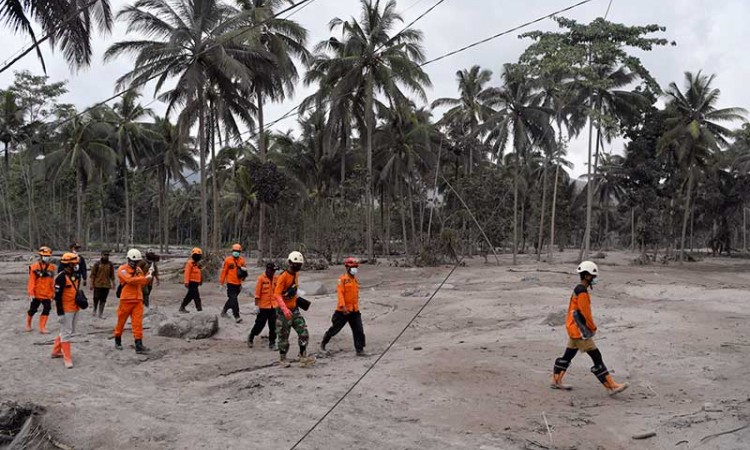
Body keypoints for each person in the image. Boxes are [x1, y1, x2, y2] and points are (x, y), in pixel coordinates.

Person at [550, 261, 629, 395]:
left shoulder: (578, 288)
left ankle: (556, 380)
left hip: (573, 328)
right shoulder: (582, 292)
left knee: (568, 355)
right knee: (596, 356)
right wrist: (592, 327)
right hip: (580, 330)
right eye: (593, 276)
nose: (594, 279)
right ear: (587, 276)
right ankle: (611, 386)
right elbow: (585, 313)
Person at [273, 251, 313, 367]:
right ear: (289, 263)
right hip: (283, 311)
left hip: (294, 309)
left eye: (299, 264)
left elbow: (293, 291)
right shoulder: (283, 277)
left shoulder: (295, 275)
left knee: (303, 332)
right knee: (283, 335)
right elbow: (277, 294)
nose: (297, 266)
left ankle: (302, 355)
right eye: (295, 264)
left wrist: (298, 300)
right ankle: (282, 358)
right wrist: (285, 309)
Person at [321, 257, 366, 356]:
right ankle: (324, 342)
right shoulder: (342, 280)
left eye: (355, 267)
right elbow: (340, 294)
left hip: (354, 310)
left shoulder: (355, 280)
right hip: (343, 310)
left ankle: (360, 350)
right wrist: (343, 306)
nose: (355, 269)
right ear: (347, 268)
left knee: (359, 330)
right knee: (335, 329)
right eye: (352, 267)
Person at [113, 249, 154, 354]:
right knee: (121, 322)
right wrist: (145, 278)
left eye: (137, 261)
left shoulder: (139, 270)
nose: (135, 263)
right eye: (133, 261)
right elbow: (129, 280)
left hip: (138, 300)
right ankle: (117, 340)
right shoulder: (122, 269)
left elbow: (142, 283)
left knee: (138, 323)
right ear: (128, 259)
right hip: (126, 299)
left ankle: (139, 344)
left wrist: (149, 275)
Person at [52, 252, 83, 368]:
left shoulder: (76, 275)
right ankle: (67, 359)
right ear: (69, 264)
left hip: (75, 307)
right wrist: (60, 313)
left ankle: (55, 351)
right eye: (74, 264)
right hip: (66, 310)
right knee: (66, 333)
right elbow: (58, 297)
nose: (76, 265)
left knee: (69, 331)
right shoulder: (60, 278)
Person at [26, 246, 56, 334]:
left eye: (48, 256)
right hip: (36, 293)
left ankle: (42, 327)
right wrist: (31, 293)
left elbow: (52, 281)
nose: (46, 257)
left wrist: (53, 293)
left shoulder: (52, 268)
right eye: (45, 256)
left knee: (47, 309)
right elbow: (31, 281)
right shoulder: (34, 267)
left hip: (47, 294)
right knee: (33, 310)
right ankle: (28, 324)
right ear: (40, 256)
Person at [247, 262, 278, 349]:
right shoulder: (261, 279)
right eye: (272, 270)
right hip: (263, 307)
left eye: (274, 271)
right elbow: (257, 293)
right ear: (268, 270)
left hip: (273, 306)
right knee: (259, 324)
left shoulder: (276, 278)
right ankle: (251, 337)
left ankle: (272, 343)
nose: (273, 273)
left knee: (273, 326)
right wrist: (256, 306)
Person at [219, 243, 248, 323]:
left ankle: (224, 311)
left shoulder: (242, 260)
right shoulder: (228, 260)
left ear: (240, 252)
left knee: (232, 299)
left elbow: (245, 272)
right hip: (230, 284)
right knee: (234, 299)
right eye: (235, 251)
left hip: (238, 284)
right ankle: (237, 316)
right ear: (232, 251)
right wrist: (221, 283)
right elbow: (224, 272)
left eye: (238, 251)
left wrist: (244, 272)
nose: (236, 252)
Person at [89, 250, 115, 319]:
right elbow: (93, 275)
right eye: (104, 255)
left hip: (106, 285)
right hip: (98, 284)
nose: (106, 256)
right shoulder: (97, 264)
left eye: (107, 255)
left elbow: (112, 275)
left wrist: (113, 284)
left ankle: (101, 313)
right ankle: (94, 309)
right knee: (96, 298)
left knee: (103, 299)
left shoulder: (110, 264)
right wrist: (91, 284)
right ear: (101, 255)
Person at [179, 248, 203, 313]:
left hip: (196, 282)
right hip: (191, 282)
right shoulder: (190, 263)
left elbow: (199, 273)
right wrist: (186, 282)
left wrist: (200, 280)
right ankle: (199, 309)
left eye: (198, 255)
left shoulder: (198, 264)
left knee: (190, 296)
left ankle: (182, 307)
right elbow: (187, 273)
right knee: (196, 296)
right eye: (196, 255)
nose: (197, 256)